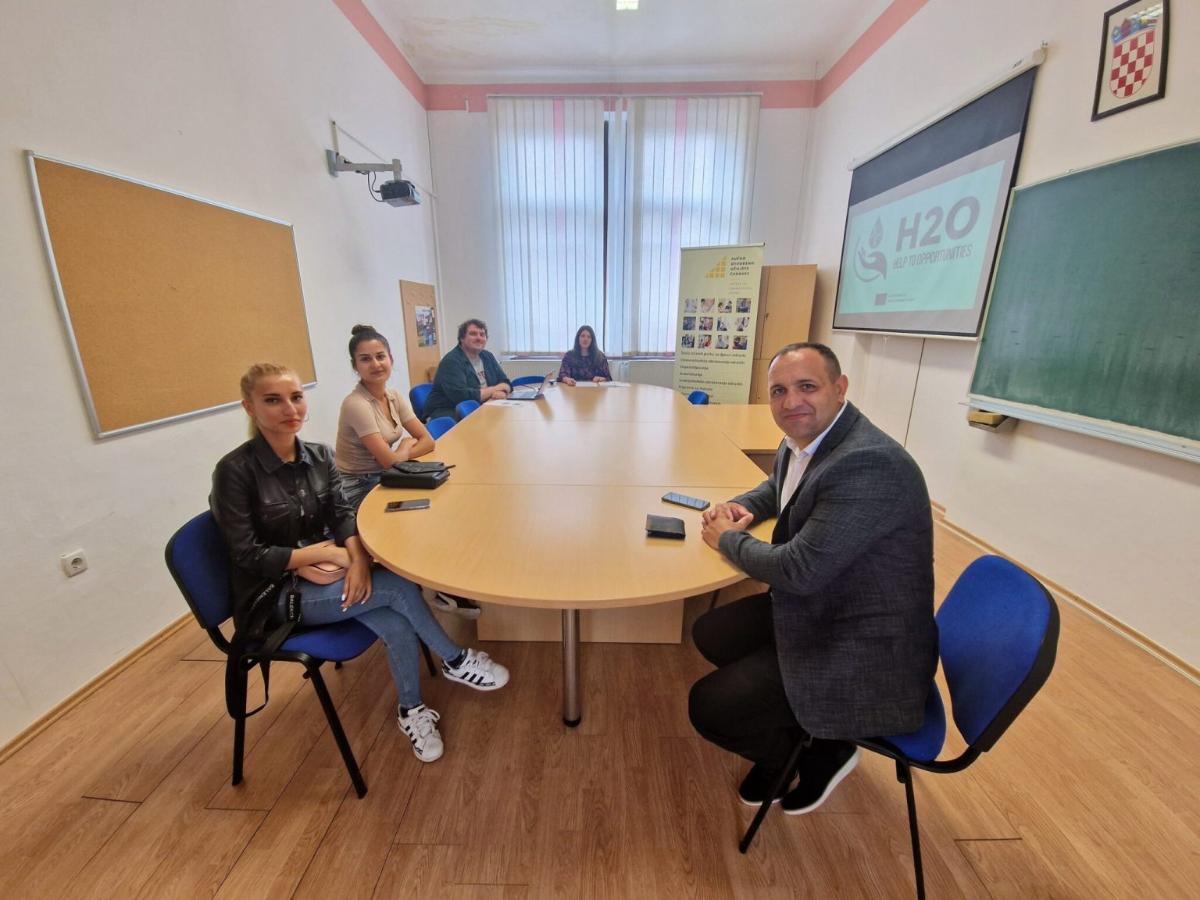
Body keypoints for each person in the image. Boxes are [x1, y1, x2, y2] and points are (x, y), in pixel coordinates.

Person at [210, 363, 510, 763]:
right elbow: (247, 553)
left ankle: (411, 710)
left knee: (396, 620)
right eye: (273, 400)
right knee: (398, 588)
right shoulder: (234, 472)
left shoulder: (319, 455)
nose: (290, 408)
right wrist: (326, 554)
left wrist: (356, 562)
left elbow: (341, 514)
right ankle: (454, 659)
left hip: (327, 575)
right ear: (249, 407)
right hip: (275, 596)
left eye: (296, 397)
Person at [689, 342, 936, 814]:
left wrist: (727, 539)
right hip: (828, 606)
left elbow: (797, 571)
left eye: (807, 386)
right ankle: (806, 733)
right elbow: (778, 487)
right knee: (711, 632)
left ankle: (809, 754)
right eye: (779, 391)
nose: (791, 402)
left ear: (840, 388)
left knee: (710, 707)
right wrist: (740, 507)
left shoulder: (868, 463)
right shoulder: (808, 439)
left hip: (867, 647)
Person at [336, 324, 435, 510]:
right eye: (365, 359)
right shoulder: (356, 404)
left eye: (380, 356)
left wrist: (398, 457)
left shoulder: (393, 396)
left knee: (432, 496)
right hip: (357, 486)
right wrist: (404, 446)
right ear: (355, 366)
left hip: (385, 474)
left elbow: (428, 441)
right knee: (417, 507)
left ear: (391, 359)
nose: (375, 364)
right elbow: (390, 462)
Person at [423, 318, 512, 421]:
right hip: (448, 413)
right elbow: (463, 396)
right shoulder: (451, 361)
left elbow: (505, 382)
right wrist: (496, 389)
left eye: (482, 335)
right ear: (462, 338)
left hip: (480, 407)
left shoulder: (487, 356)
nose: (479, 338)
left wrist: (503, 391)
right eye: (473, 334)